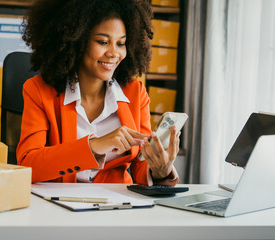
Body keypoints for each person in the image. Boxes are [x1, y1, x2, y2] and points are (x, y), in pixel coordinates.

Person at [17, 0, 181, 186]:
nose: (113, 53)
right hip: (58, 204)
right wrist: (94, 146)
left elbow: (140, 164)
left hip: (115, 204)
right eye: (103, 42)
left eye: (121, 43)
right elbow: (28, 165)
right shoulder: (38, 90)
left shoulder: (136, 93)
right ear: (76, 39)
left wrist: (160, 170)